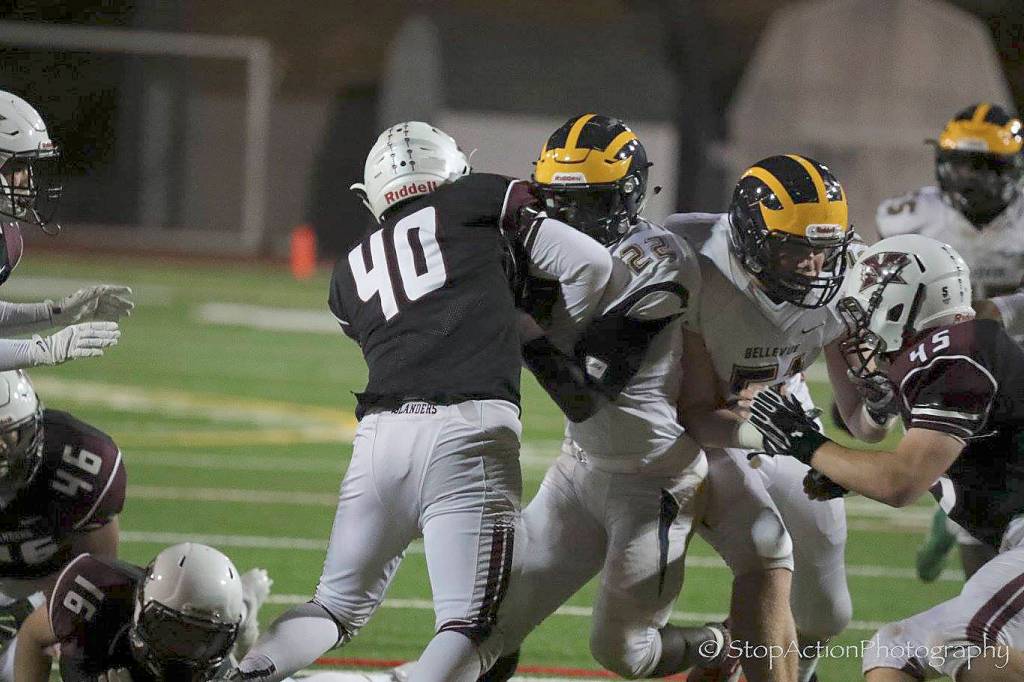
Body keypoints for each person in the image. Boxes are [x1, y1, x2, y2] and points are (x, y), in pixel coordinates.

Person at [233, 121, 616, 682]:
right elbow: (593, 265)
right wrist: (558, 334)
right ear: (453, 171)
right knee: (471, 630)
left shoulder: (348, 273)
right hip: (469, 432)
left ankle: (249, 670)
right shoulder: (477, 197)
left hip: (380, 440)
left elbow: (417, 313)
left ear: (374, 196)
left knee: (334, 607)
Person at [477, 113, 728, 680]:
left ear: (627, 195)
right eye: (557, 204)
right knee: (490, 625)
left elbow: (587, 393)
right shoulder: (544, 249)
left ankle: (724, 645)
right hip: (579, 471)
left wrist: (516, 320)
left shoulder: (659, 261)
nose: (568, 220)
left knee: (623, 653)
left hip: (653, 481)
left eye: (587, 203)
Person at [747, 234, 1024, 681]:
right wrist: (845, 470)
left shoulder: (953, 352)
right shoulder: (958, 348)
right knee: (923, 653)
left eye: (868, 302)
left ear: (903, 299)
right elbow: (928, 459)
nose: (861, 321)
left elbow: (901, 481)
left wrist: (805, 443)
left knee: (936, 645)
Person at [669, 155, 887, 682]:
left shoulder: (852, 276)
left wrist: (883, 393)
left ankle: (739, 655)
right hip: (683, 432)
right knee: (763, 554)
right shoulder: (690, 256)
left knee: (826, 613)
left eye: (824, 250)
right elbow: (698, 410)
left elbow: (863, 423)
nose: (814, 266)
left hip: (783, 422)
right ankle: (728, 647)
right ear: (750, 238)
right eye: (795, 248)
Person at [876, 102, 1024, 582]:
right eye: (961, 162)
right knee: (979, 517)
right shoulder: (909, 217)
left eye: (984, 165)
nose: (969, 177)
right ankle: (959, 531)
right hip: (951, 362)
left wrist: (1001, 310)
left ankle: (953, 519)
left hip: (1018, 357)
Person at [0, 370, 124, 680]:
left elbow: (95, 573)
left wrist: (42, 611)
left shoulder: (79, 465)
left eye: (3, 436)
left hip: (48, 583)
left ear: (31, 432)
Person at [0, 90, 130, 369]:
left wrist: (53, 314)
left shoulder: (7, 237)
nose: (27, 180)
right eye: (19, 166)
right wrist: (40, 349)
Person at [15, 543, 271, 681]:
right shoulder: (94, 598)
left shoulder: (219, 671)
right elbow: (33, 636)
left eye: (204, 638)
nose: (187, 651)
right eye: (174, 631)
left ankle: (244, 611)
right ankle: (244, 606)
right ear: (141, 609)